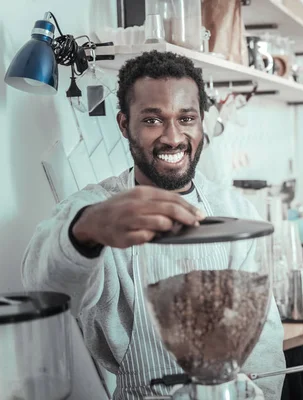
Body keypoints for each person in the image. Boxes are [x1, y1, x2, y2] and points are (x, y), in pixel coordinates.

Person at [21, 51, 285, 399]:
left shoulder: (236, 211)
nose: (173, 137)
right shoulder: (98, 209)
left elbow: (264, 342)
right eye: (152, 120)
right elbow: (42, 285)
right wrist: (85, 231)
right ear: (123, 124)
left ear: (202, 121)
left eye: (186, 118)